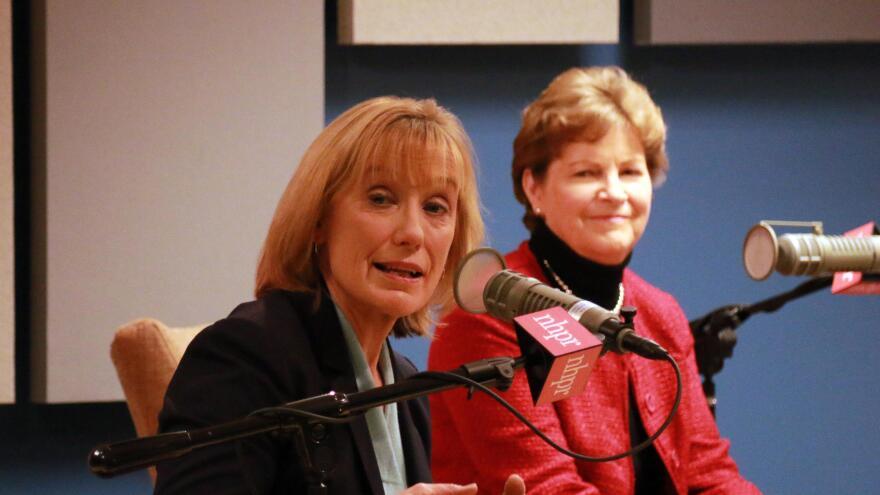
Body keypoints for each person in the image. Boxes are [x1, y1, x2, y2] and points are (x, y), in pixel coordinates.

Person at [154, 96, 525, 495]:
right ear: (318, 220)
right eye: (381, 199)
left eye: (435, 207)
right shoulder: (244, 356)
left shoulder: (408, 389)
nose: (413, 233)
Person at [428, 67, 761, 494]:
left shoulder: (661, 313)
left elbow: (709, 471)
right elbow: (545, 487)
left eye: (629, 171)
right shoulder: (489, 313)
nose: (615, 192)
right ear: (535, 188)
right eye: (587, 173)